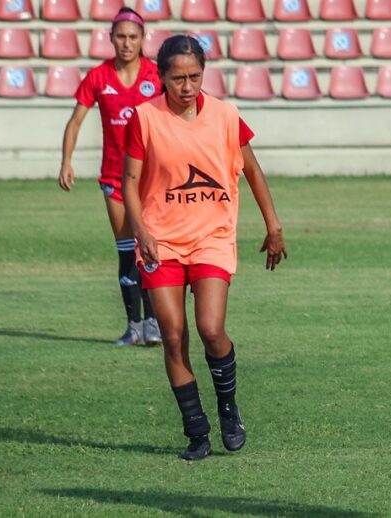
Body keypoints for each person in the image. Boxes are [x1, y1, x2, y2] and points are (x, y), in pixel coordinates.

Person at [122, 35, 287, 461]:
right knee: (174, 337)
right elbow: (129, 183)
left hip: (212, 238)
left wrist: (273, 225)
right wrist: (140, 231)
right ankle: (197, 433)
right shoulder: (144, 119)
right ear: (160, 76)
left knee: (211, 329)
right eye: (177, 78)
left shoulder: (227, 116)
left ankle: (229, 410)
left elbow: (251, 169)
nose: (187, 86)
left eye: (195, 76)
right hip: (161, 242)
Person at [58, 7, 162, 346]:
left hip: (151, 180)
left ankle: (155, 326)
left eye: (133, 37)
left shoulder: (156, 75)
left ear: (143, 39)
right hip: (114, 181)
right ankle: (134, 327)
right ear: (111, 38)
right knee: (126, 251)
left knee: (149, 250)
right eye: (121, 36)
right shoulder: (98, 77)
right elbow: (75, 121)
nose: (127, 43)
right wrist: (66, 161)